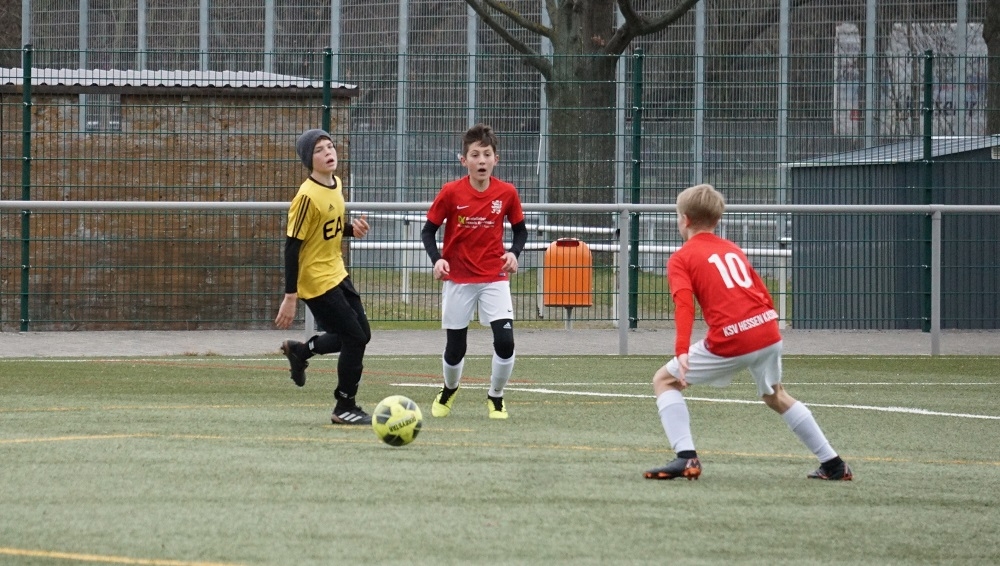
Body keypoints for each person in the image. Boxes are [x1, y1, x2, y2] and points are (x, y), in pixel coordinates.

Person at [645, 183, 852, 481]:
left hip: (735, 337)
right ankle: (834, 465)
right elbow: (760, 291)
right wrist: (766, 323)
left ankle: (686, 458)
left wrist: (681, 351)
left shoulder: (682, 257)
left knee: (664, 380)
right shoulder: (732, 249)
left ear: (685, 220)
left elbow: (684, 307)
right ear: (717, 221)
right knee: (776, 396)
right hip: (767, 330)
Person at [421, 123, 527, 420]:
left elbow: (521, 232)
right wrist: (437, 259)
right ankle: (449, 389)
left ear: (497, 159)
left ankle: (496, 396)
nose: (481, 160)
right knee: (456, 348)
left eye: (487, 154)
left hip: (494, 277)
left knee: (505, 342)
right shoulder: (451, 192)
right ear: (463, 160)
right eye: (475, 155)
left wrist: (513, 253)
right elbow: (428, 231)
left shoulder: (506, 193)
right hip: (459, 279)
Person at [274, 128, 373, 425]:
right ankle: (345, 406)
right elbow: (292, 248)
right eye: (319, 149)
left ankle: (301, 351)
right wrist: (290, 296)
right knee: (354, 338)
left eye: (330, 146)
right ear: (309, 158)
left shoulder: (336, 183)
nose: (328, 152)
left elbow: (326, 228)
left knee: (361, 336)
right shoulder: (306, 197)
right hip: (316, 281)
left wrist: (350, 230)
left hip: (337, 272)